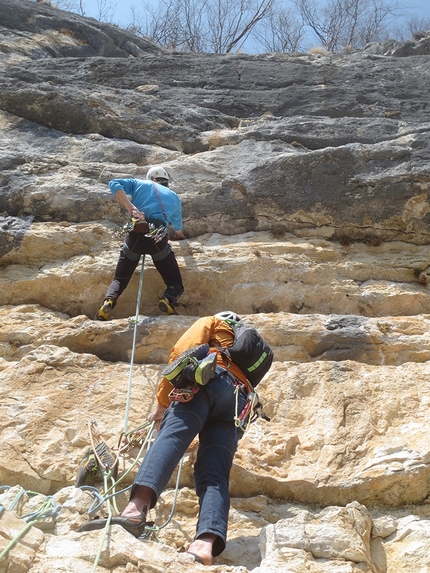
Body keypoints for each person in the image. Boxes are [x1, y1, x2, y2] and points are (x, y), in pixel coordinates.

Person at [78, 312, 272, 566]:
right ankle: (204, 545)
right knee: (214, 472)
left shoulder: (215, 322)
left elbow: (183, 351)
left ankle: (135, 511)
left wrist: (161, 404)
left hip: (210, 382)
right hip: (238, 404)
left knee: (171, 437)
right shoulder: (254, 352)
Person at [95, 165, 186, 320]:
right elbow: (177, 226)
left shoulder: (139, 183)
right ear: (166, 182)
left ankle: (109, 300)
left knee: (120, 280)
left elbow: (114, 183)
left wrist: (131, 208)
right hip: (158, 239)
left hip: (135, 234)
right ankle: (168, 298)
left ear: (150, 178)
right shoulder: (174, 197)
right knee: (175, 283)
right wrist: (181, 236)